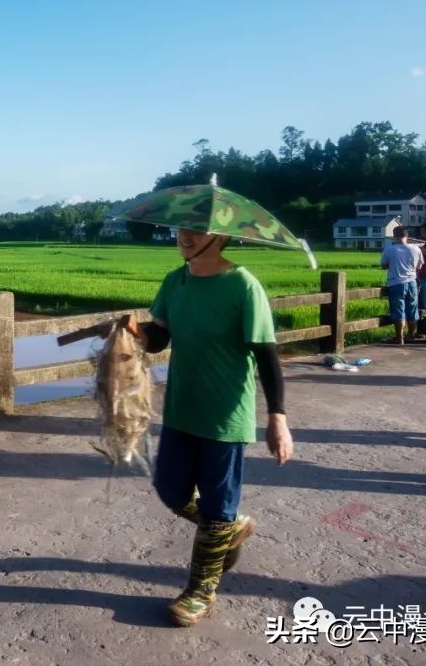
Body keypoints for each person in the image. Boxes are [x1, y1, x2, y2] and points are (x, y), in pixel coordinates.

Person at [126, 227, 293, 627]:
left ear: (219, 236)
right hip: (183, 408)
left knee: (216, 505)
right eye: (181, 228)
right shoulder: (175, 281)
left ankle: (201, 590)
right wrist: (138, 332)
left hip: (225, 412)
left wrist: (278, 419)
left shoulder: (242, 285)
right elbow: (161, 338)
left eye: (196, 229)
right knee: (170, 489)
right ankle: (229, 529)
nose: (184, 236)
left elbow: (267, 355)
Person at [381, 226, 424, 345]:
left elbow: (384, 266)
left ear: (394, 236)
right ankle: (410, 335)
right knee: (412, 310)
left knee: (398, 310)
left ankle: (399, 338)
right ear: (407, 235)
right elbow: (419, 267)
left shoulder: (389, 249)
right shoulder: (415, 249)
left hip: (396, 283)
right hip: (412, 282)